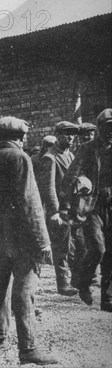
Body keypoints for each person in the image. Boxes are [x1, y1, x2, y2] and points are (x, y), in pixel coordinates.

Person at [0, 116, 58, 365]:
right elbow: (29, 203)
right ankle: (28, 348)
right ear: (20, 137)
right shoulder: (21, 158)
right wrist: (43, 241)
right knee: (25, 290)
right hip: (22, 237)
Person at [61, 108, 112, 312]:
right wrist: (65, 206)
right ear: (99, 128)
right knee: (98, 249)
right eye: (107, 127)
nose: (111, 132)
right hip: (92, 206)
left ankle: (107, 298)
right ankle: (82, 282)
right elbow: (70, 177)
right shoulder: (87, 148)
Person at [37, 121, 79, 296]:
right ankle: (63, 284)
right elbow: (49, 188)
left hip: (73, 209)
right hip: (60, 211)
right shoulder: (50, 157)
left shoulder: (70, 155)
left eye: (72, 134)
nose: (70, 137)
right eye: (66, 134)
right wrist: (54, 211)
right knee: (61, 247)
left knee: (74, 245)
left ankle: (74, 280)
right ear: (58, 135)